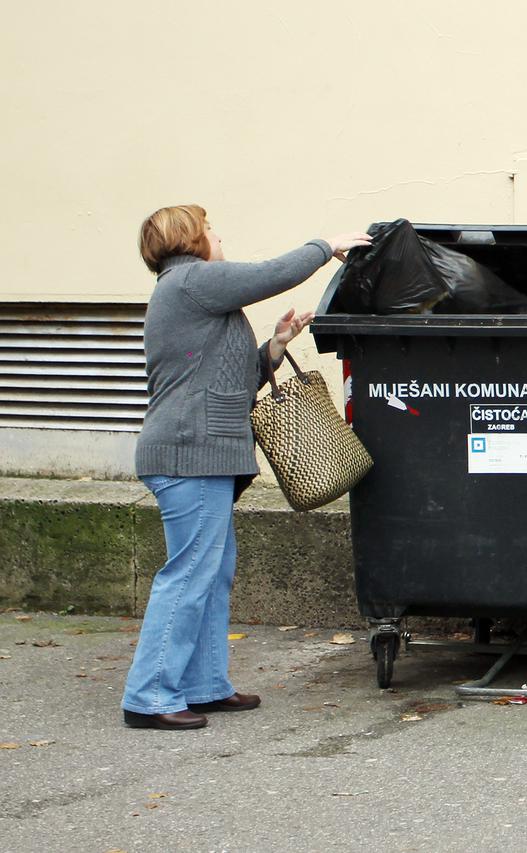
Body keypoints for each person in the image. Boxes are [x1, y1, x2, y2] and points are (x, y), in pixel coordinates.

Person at [122, 204, 371, 730]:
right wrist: (326, 247)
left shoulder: (193, 294)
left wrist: (275, 349)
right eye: (210, 229)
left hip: (204, 454)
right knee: (188, 574)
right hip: (189, 454)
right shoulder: (191, 281)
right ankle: (149, 697)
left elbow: (226, 383)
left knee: (211, 574)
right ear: (188, 240)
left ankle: (205, 685)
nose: (218, 236)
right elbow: (268, 275)